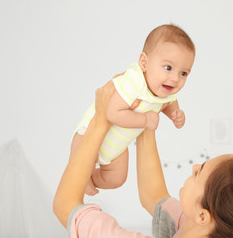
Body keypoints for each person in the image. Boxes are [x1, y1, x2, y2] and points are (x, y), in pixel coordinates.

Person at [53, 80, 233, 238]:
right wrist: (145, 119)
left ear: (202, 216)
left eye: (199, 173)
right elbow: (155, 197)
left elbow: (65, 207)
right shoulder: (204, 228)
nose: (194, 167)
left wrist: (100, 121)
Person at [70, 24, 196, 195]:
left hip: (116, 146)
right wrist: (145, 120)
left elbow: (169, 102)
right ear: (144, 62)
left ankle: (91, 177)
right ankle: (81, 177)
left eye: (184, 73)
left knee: (116, 179)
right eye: (168, 68)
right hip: (90, 134)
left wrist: (175, 114)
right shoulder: (134, 82)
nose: (175, 78)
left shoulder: (165, 89)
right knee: (80, 164)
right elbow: (112, 113)